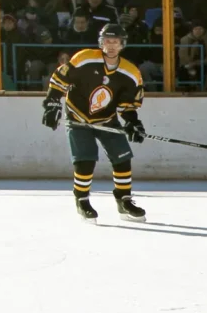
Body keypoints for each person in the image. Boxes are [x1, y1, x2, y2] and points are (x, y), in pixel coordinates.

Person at [43, 23, 146, 223]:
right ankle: (82, 200)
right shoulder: (84, 59)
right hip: (77, 118)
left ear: (122, 44)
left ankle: (124, 200)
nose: (111, 45)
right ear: (101, 42)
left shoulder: (130, 72)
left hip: (107, 120)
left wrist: (133, 122)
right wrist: (52, 104)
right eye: (108, 41)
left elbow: (127, 104)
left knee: (122, 157)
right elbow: (59, 80)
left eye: (116, 42)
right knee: (85, 160)